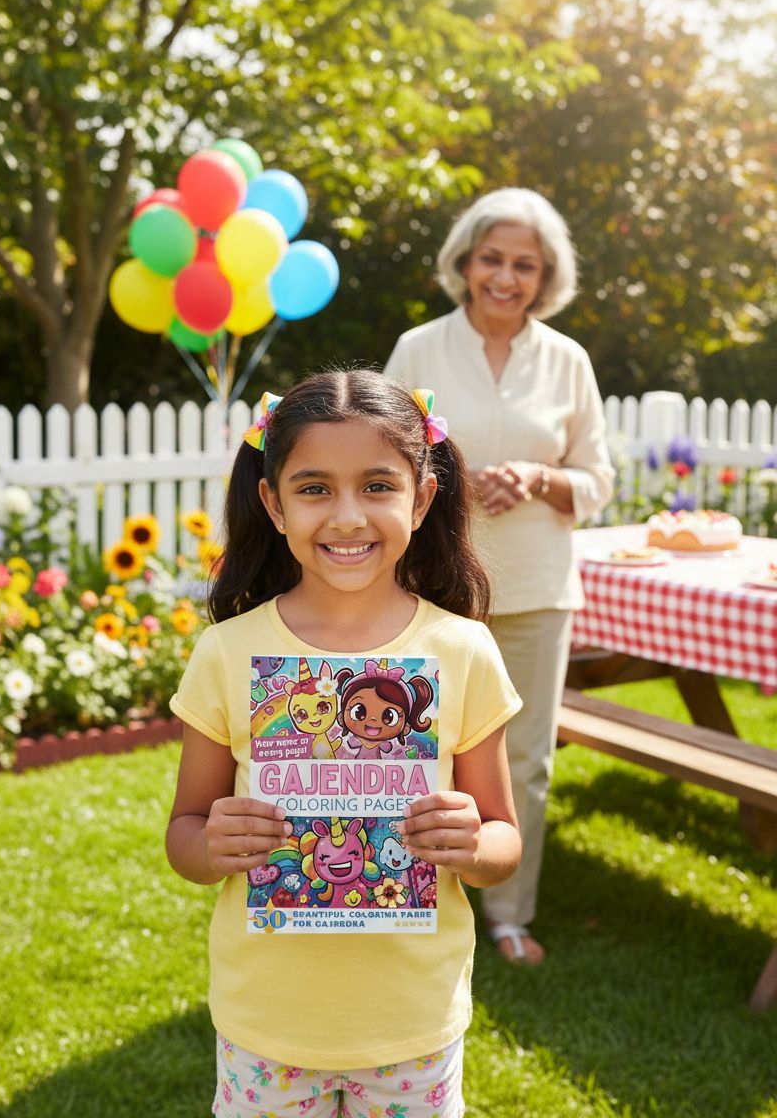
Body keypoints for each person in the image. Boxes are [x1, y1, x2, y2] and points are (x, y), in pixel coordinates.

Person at [165, 369, 523, 1118]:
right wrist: (213, 844)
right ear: (273, 503)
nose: (349, 516)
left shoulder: (463, 651)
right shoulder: (229, 654)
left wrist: (468, 841)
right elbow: (186, 836)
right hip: (267, 1025)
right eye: (315, 488)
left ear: (422, 498)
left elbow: (502, 846)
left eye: (379, 486)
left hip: (412, 1025)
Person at [384, 188, 614, 966]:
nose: (506, 277)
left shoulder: (568, 360)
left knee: (526, 757)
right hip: (437, 581)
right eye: (493, 259)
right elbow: (383, 454)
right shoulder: (419, 348)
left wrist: (538, 479)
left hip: (538, 588)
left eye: (525, 264)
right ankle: (410, 890)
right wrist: (455, 477)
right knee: (421, 747)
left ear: (545, 275)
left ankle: (509, 914)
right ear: (466, 262)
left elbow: (597, 478)